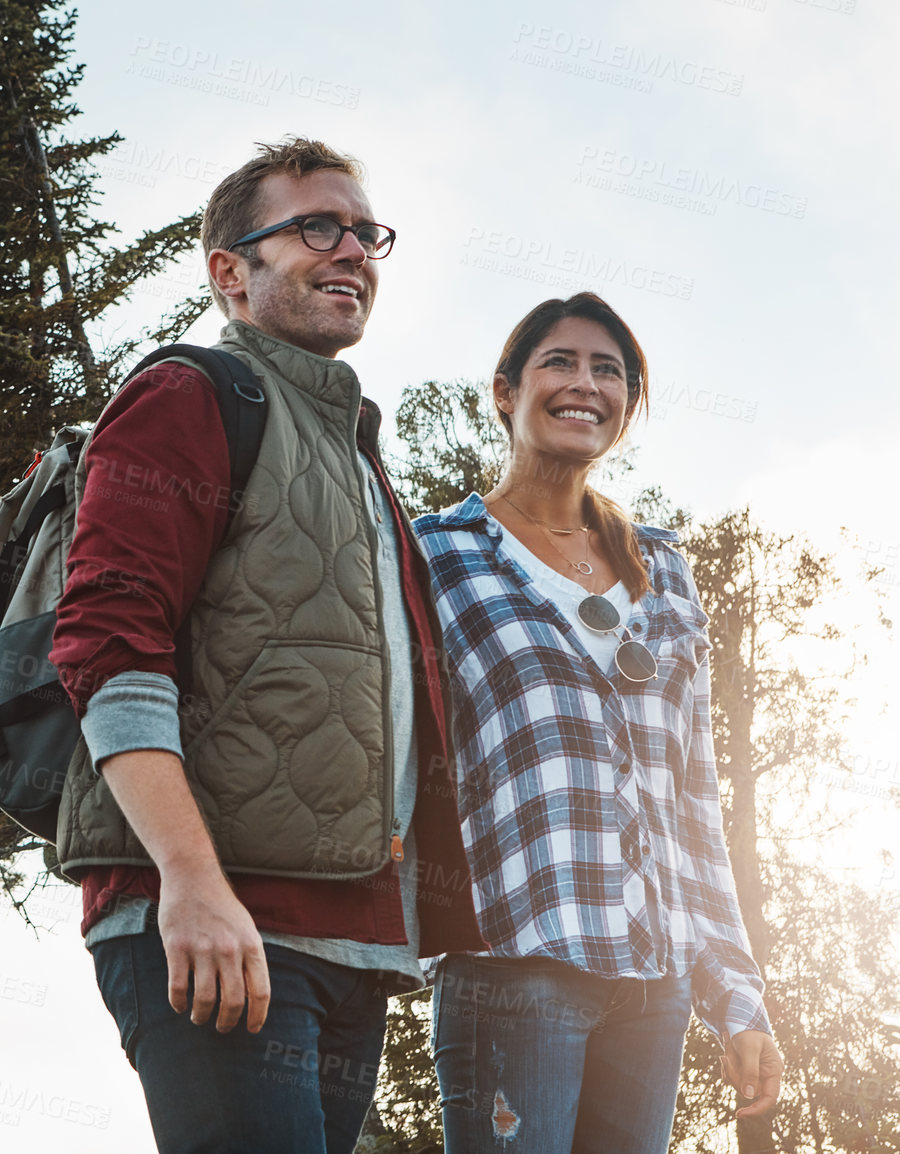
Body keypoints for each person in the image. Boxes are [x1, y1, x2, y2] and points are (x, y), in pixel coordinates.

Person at [48, 136, 487, 1154]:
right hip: (219, 923)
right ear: (229, 272)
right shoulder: (191, 395)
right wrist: (189, 882)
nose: (352, 250)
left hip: (354, 945)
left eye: (366, 231)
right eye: (315, 226)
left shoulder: (362, 462)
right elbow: (109, 643)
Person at [412, 292, 784, 1152]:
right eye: (561, 363)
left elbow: (694, 801)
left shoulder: (662, 568)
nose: (586, 384)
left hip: (658, 985)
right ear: (505, 391)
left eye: (608, 370)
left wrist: (736, 995)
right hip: (512, 968)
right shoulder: (437, 553)